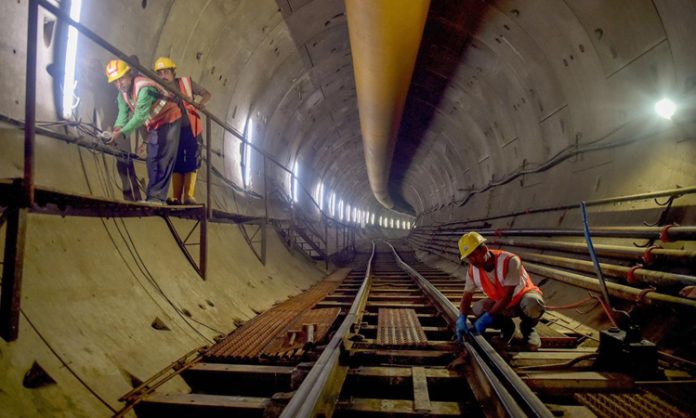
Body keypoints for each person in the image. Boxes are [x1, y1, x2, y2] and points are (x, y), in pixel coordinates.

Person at [105, 59, 182, 204]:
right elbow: (122, 114)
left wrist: (121, 134)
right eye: (115, 81)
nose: (119, 84)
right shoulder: (122, 94)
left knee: (164, 158)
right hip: (155, 124)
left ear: (129, 74)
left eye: (121, 78)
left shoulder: (143, 87)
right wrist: (116, 130)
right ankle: (152, 197)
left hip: (170, 119)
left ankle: (158, 198)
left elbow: (140, 116)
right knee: (152, 159)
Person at [454, 231, 545, 350]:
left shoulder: (510, 261)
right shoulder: (473, 270)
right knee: (478, 309)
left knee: (533, 303)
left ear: (484, 249)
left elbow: (507, 297)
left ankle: (528, 329)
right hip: (502, 304)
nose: (472, 260)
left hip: (521, 300)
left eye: (474, 255)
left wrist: (485, 319)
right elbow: (466, 297)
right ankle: (507, 327)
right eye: (468, 257)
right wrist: (461, 318)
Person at [153, 57, 211, 205]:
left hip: (191, 127)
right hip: (173, 130)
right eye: (159, 74)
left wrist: (200, 104)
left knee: (192, 158)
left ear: (173, 71)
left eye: (166, 72)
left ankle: (189, 196)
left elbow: (206, 94)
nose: (163, 76)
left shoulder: (186, 83)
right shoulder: (159, 90)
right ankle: (176, 197)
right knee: (176, 159)